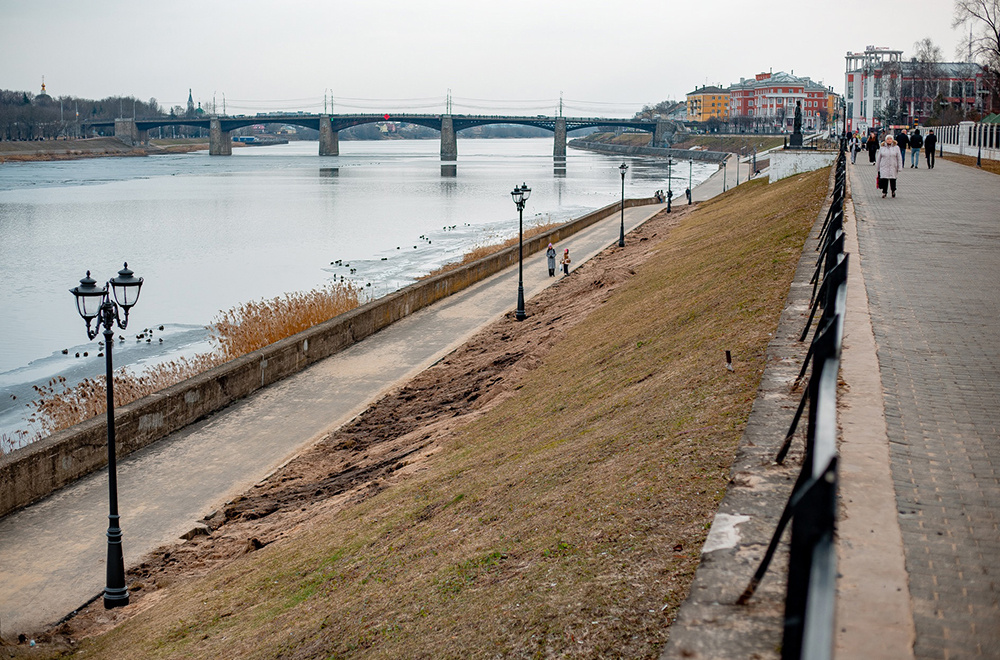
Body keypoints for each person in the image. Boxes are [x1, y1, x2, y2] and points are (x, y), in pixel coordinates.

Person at [876, 134, 903, 198]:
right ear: (885, 140)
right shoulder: (882, 148)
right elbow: (879, 158)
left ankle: (893, 191)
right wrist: (878, 167)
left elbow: (899, 158)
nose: (889, 140)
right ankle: (884, 192)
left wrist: (899, 167)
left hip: (893, 166)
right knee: (884, 180)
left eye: (890, 139)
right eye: (888, 139)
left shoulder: (896, 148)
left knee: (893, 180)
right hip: (884, 166)